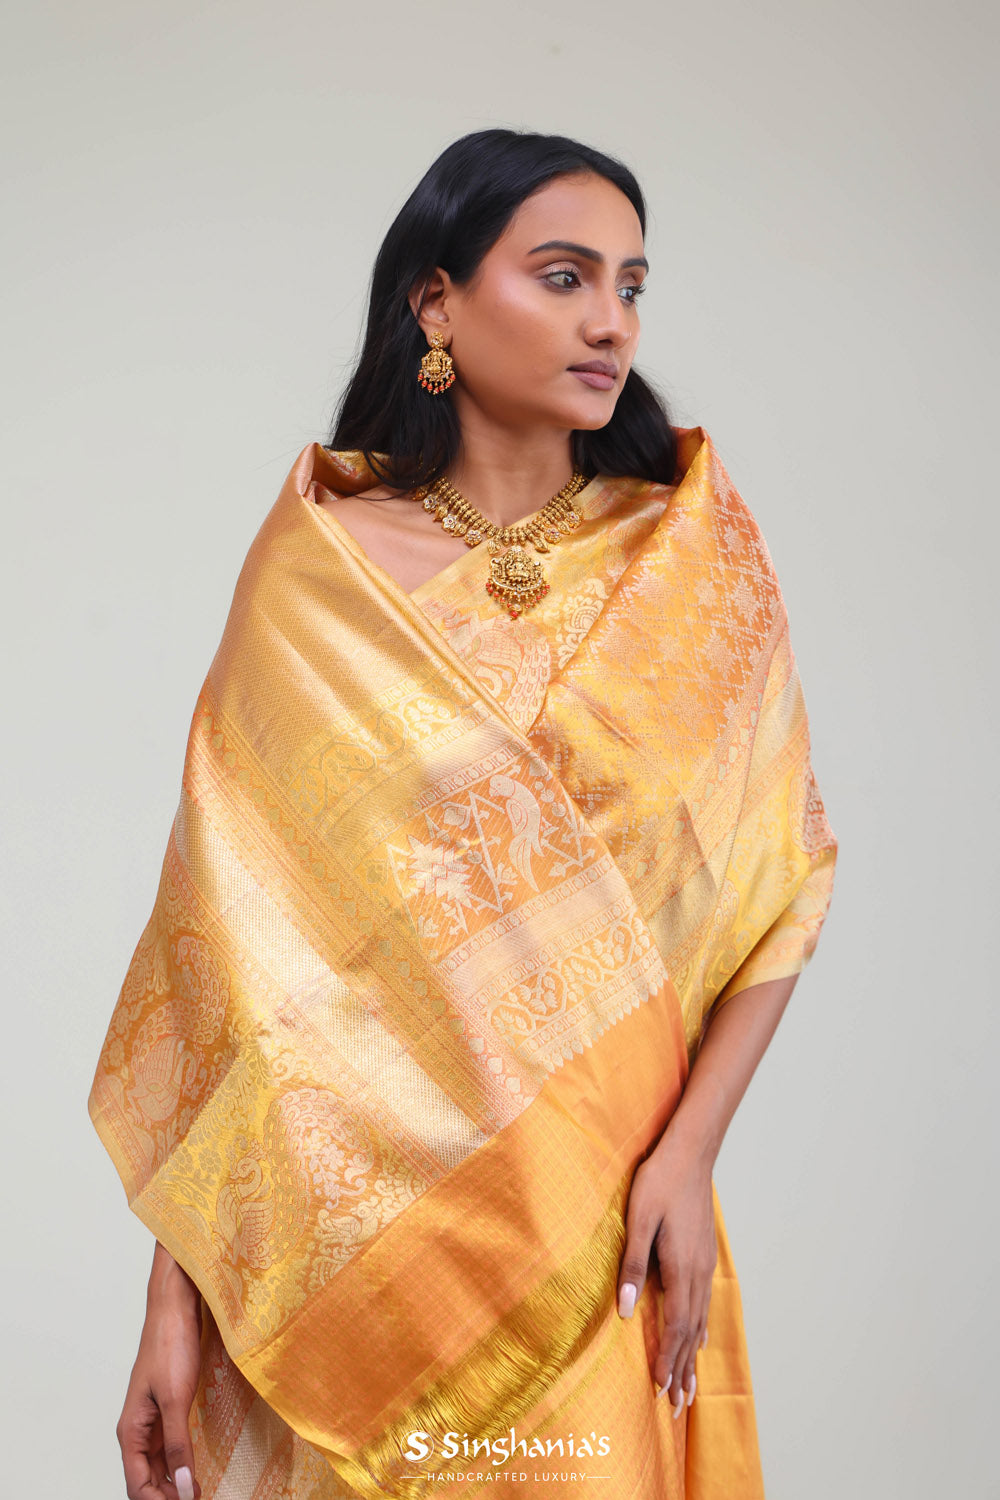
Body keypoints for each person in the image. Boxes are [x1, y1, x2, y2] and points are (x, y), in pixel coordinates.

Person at [89, 128, 839, 1500]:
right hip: (365, 1249)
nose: (610, 320)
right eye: (563, 276)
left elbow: (784, 881)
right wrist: (171, 1305)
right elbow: (243, 999)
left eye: (631, 284)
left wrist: (690, 1154)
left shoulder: (684, 555)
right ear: (435, 302)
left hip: (605, 1227)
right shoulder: (323, 573)